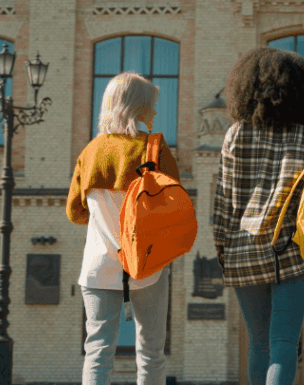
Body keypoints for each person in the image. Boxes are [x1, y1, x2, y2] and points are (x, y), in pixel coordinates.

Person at [213, 47, 304, 385]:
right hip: (296, 253)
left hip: (244, 250)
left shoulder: (236, 134)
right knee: (284, 344)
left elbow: (223, 202)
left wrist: (224, 253)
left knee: (258, 344)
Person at [67, 72, 179, 385]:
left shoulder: (91, 152)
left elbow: (75, 212)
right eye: (151, 106)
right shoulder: (154, 149)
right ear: (138, 108)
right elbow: (174, 207)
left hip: (99, 264)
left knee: (98, 351)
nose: (155, 113)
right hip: (149, 264)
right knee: (151, 351)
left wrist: (104, 218)